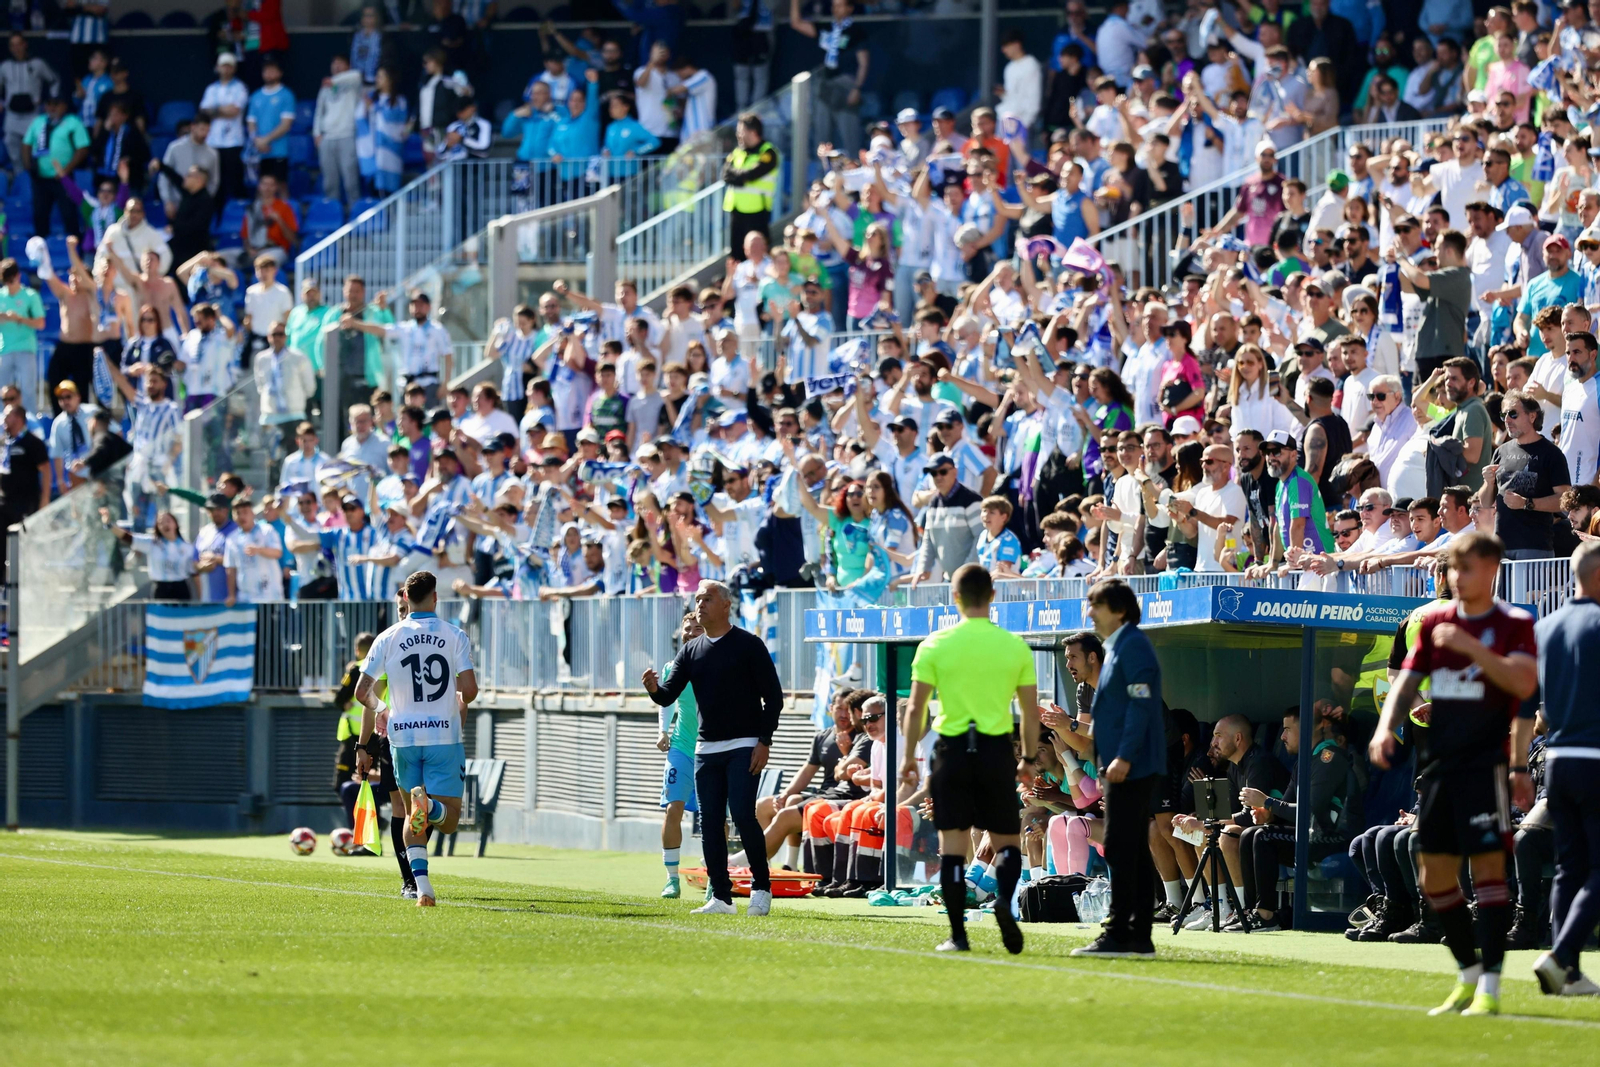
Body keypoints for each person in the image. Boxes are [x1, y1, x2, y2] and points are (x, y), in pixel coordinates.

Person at [1370, 531, 1538, 1017]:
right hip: (1438, 763)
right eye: (1451, 569)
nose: (1456, 579)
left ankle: (1490, 985)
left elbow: (1523, 684)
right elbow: (1405, 680)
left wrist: (1471, 647)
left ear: (1492, 571)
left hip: (1486, 763)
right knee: (1433, 875)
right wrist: (1387, 727)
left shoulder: (1513, 623)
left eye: (1467, 569)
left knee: (1487, 872)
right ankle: (1466, 972)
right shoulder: (1435, 621)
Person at [901, 563, 1037, 954]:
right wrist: (1026, 758)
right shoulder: (1014, 645)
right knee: (1008, 842)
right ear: (993, 596)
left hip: (953, 749)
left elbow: (915, 708)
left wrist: (909, 756)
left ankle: (958, 935)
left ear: (955, 597)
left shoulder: (935, 644)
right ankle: (1004, 907)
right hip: (995, 750)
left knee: (953, 846)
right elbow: (1029, 712)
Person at [643, 579, 784, 917]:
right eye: (697, 598)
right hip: (706, 748)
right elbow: (667, 695)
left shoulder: (749, 645)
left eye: (707, 598)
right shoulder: (690, 650)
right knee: (709, 822)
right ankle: (721, 896)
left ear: (725, 605)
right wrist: (652, 688)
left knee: (741, 815)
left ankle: (761, 888)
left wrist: (764, 741)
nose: (700, 604)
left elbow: (774, 699)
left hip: (745, 744)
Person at [354, 571, 477, 907]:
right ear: (435, 597)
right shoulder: (455, 636)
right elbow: (470, 690)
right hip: (442, 736)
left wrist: (382, 710)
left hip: (403, 738)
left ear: (405, 599)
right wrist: (457, 701)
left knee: (409, 815)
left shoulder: (387, 637)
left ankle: (422, 887)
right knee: (448, 818)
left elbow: (362, 692)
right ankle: (432, 807)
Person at [1067, 577, 1164, 959]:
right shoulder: (1118, 647)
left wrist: (1122, 756)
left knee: (1122, 847)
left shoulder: (1133, 646)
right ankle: (1139, 935)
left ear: (1119, 610)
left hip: (1132, 765)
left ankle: (1119, 932)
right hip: (1122, 763)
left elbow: (1141, 704)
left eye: (1096, 604)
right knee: (1132, 849)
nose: (1089, 612)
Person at [1531, 541, 1600, 998]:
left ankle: (1568, 972)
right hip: (1596, 758)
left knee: (1569, 867)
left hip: (1556, 760)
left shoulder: (1544, 627)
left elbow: (1531, 710)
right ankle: (1560, 955)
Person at [655, 605, 702, 898]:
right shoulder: (673, 668)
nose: (691, 633)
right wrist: (662, 731)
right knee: (673, 808)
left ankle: (715, 879)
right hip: (682, 748)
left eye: (697, 628)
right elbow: (666, 701)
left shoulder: (721, 663)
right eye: (687, 629)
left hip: (713, 750)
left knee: (715, 818)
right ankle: (672, 878)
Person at [23, 92, 90, 241]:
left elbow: (83, 148)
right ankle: (40, 249)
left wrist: (66, 171)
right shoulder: (38, 121)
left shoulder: (73, 122)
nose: (52, 107)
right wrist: (28, 165)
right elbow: (26, 143)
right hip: (40, 178)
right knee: (40, 214)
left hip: (63, 178)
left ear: (64, 106)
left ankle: (75, 249)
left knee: (69, 213)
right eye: (49, 104)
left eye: (56, 104)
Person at [720, 113, 778, 261]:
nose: (738, 135)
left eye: (741, 131)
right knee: (737, 255)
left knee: (759, 253)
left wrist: (739, 177)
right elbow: (725, 175)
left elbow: (752, 174)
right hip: (737, 209)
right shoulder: (737, 151)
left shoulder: (768, 152)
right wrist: (741, 177)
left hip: (757, 210)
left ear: (752, 132)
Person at [110, 509, 196, 600]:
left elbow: (195, 572)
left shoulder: (187, 547)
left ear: (176, 524)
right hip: (161, 589)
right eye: (160, 523)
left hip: (180, 588)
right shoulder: (152, 543)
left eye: (168, 521)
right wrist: (109, 525)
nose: (165, 525)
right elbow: (128, 538)